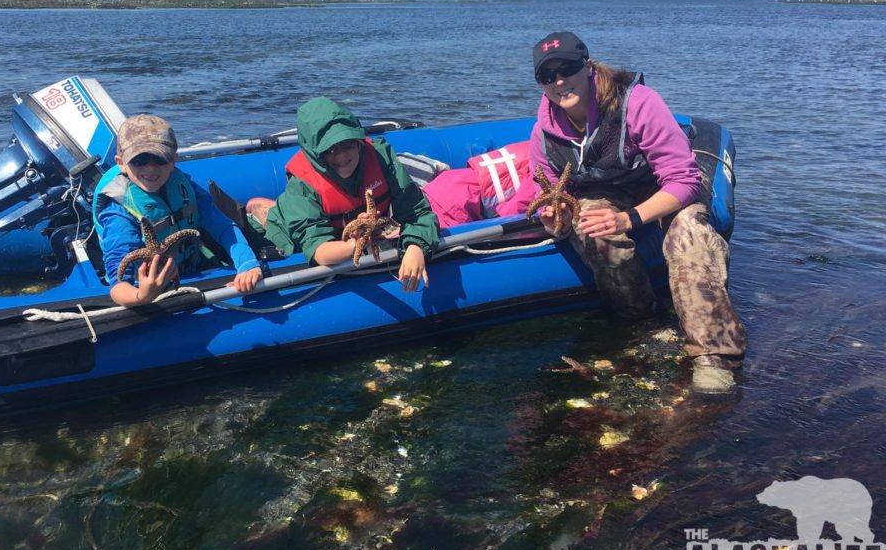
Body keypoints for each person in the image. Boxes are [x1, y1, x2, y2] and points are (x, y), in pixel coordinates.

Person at [499, 31, 747, 392]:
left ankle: (716, 356)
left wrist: (629, 219)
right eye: (547, 76)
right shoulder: (543, 136)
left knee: (688, 234)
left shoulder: (637, 105)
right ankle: (641, 322)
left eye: (567, 69)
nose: (559, 81)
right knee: (590, 228)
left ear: (587, 66)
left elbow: (684, 181)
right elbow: (551, 195)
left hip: (660, 187)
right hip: (603, 192)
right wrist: (556, 222)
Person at [262, 96, 439, 292]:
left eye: (347, 144)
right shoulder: (302, 185)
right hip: (289, 238)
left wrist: (416, 246)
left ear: (358, 140)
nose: (341, 156)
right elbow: (319, 251)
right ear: (315, 154)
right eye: (329, 149)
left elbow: (417, 212)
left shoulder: (380, 156)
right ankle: (264, 213)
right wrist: (358, 243)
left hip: (355, 226)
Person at [93, 114, 262, 306]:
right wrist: (143, 295)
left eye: (160, 158)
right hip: (146, 285)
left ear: (174, 160)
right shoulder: (118, 211)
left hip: (193, 267)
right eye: (139, 160)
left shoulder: (184, 186)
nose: (150, 168)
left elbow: (222, 226)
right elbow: (118, 281)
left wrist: (248, 263)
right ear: (121, 162)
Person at [421, 140, 531, 228]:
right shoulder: (543, 170)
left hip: (444, 185)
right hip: (456, 208)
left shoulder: (536, 147)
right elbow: (511, 215)